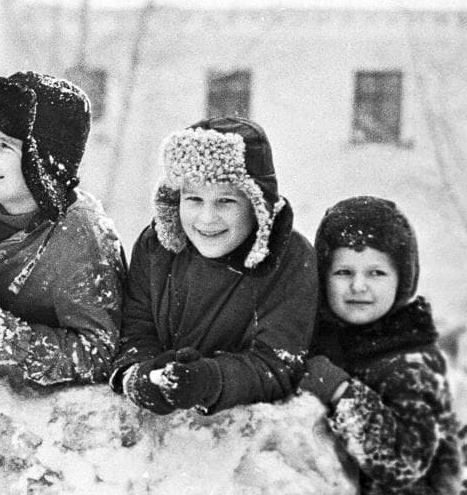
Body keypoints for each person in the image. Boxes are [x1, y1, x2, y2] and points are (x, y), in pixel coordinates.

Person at [0, 72, 126, 387]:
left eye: (4, 145)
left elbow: (97, 353)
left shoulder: (80, 237)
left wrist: (4, 337)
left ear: (43, 162)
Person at [108, 116, 317, 414]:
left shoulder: (288, 260)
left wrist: (210, 380)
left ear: (256, 205)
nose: (206, 218)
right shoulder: (157, 247)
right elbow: (135, 330)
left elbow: (279, 363)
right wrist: (138, 375)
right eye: (194, 199)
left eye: (225, 201)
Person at [300, 196, 462, 494]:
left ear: (402, 280)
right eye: (343, 272)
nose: (358, 286)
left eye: (376, 273)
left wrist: (343, 392)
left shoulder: (411, 363)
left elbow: (403, 463)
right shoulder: (326, 338)